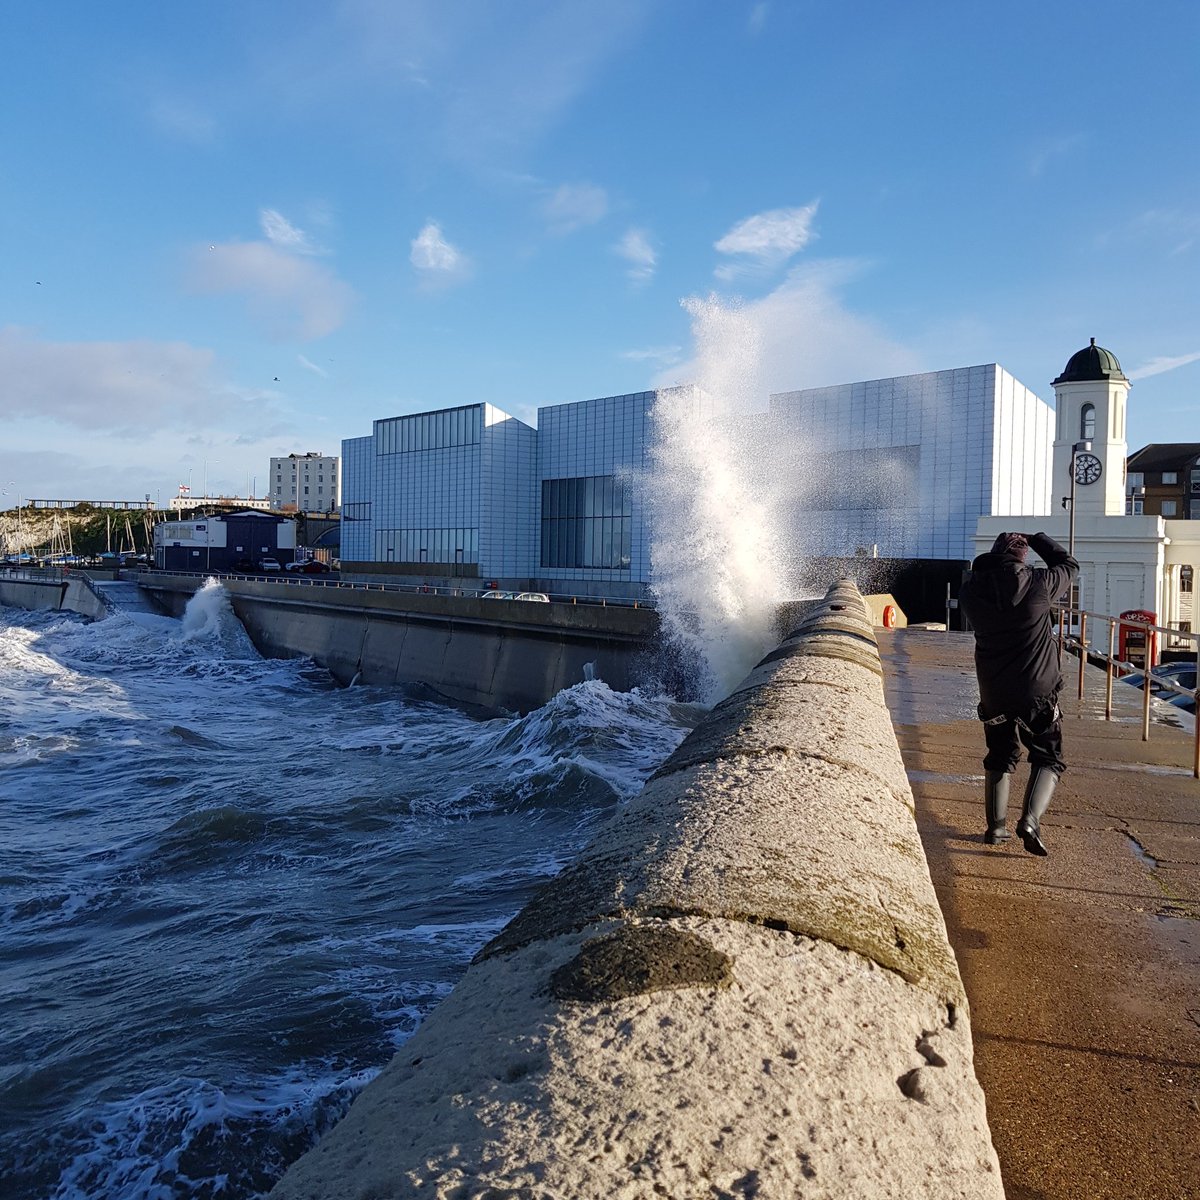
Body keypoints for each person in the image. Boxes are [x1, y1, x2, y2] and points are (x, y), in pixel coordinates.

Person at [958, 531, 1079, 855]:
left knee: (1000, 754)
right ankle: (1030, 821)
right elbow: (1069, 564)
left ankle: (995, 828)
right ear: (1023, 558)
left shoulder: (971, 591)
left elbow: (978, 575)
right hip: (1036, 691)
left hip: (994, 690)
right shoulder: (1039, 584)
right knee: (1048, 757)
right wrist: (1037, 538)